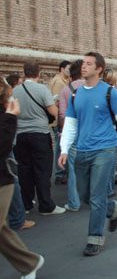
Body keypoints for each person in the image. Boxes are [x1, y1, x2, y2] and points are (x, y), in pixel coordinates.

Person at [59, 52, 117, 256]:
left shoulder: (110, 93)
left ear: (99, 69)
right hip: (82, 149)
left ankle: (95, 239)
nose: (84, 67)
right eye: (83, 63)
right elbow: (71, 123)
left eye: (89, 64)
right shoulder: (75, 94)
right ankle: (113, 209)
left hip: (105, 150)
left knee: (97, 195)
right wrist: (64, 149)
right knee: (84, 196)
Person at [0, 79, 45, 279]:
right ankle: (29, 263)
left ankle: (29, 263)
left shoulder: (6, 115)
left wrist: (10, 118)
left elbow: (2, 148)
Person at [13, 62, 65, 215]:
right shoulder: (42, 89)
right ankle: (46, 205)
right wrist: (55, 104)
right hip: (39, 134)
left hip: (20, 135)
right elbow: (53, 111)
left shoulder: (15, 91)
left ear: (24, 72)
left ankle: (26, 204)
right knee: (42, 170)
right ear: (39, 73)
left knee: (24, 169)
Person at [59, 60, 85, 212]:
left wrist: (65, 133)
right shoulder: (93, 88)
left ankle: (74, 202)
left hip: (73, 132)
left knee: (73, 168)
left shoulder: (65, 90)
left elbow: (63, 114)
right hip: (91, 132)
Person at [49, 60, 71, 185]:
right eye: (68, 68)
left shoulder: (60, 81)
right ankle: (60, 173)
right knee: (60, 145)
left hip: (58, 117)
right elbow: (57, 101)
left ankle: (61, 172)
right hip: (59, 118)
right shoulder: (59, 82)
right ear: (62, 69)